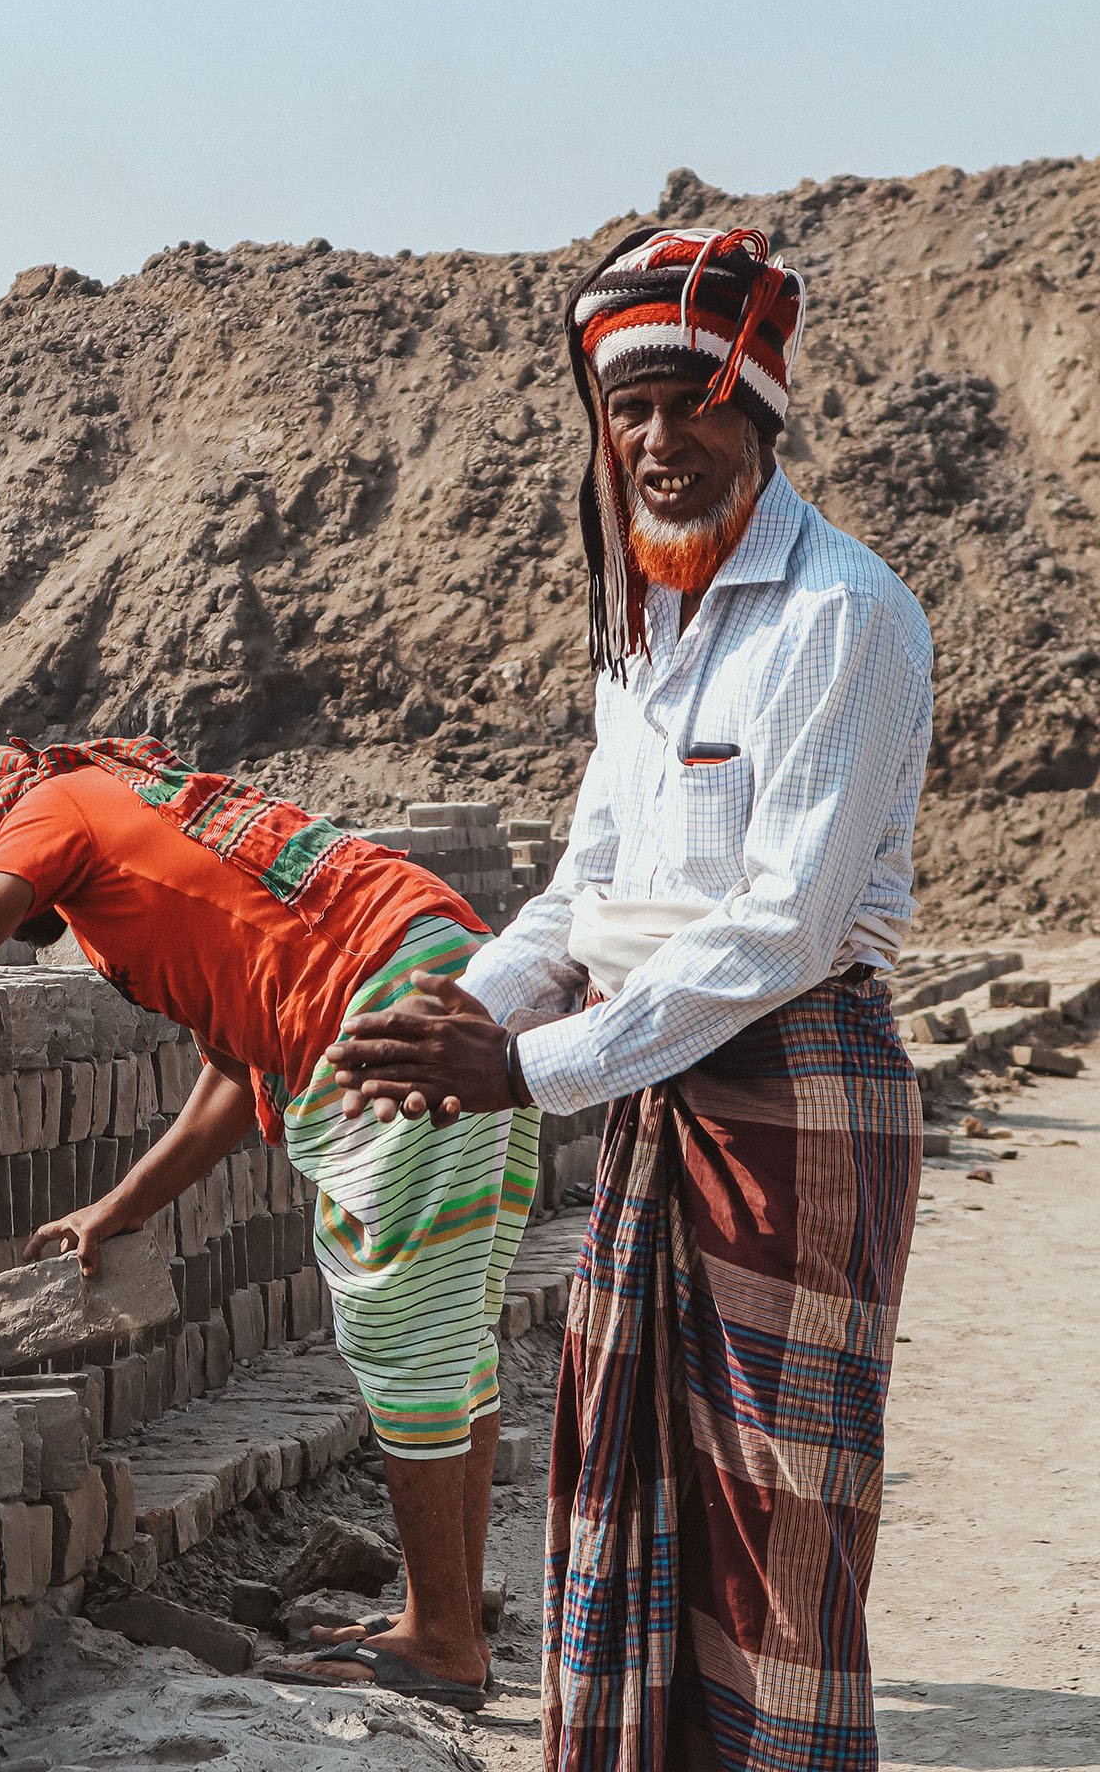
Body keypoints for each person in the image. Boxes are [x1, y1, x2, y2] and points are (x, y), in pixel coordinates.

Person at [324, 227, 933, 1771]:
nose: (657, 444)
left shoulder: (841, 618)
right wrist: (451, 1016)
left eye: (688, 403)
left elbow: (780, 931)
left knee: (773, 1524)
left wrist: (525, 1072)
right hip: (663, 1092)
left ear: (762, 408)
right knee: (629, 1483)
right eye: (627, 413)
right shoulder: (642, 641)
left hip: (793, 1095)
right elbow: (588, 893)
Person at [0, 734, 539, 1712]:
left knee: (399, 1329)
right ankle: (441, 1615)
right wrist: (119, 1210)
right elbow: (239, 1076)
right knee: (450, 1334)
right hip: (460, 976)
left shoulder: (53, 805)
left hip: (377, 1004)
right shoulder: (144, 832)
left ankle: (442, 1640)